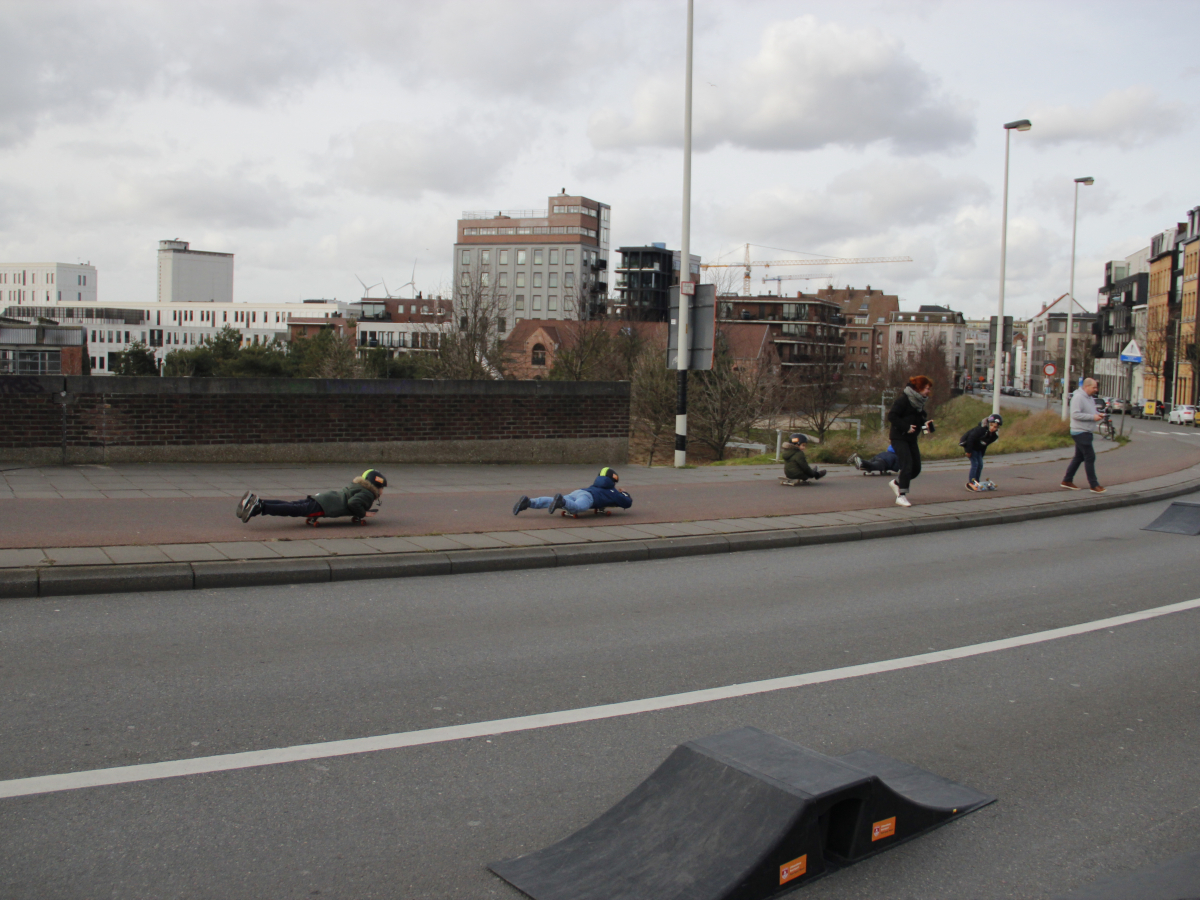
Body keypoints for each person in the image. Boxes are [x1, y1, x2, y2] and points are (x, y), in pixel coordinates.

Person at [237, 469, 386, 523]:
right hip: (326, 506)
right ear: (375, 486)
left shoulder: (358, 486)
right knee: (294, 510)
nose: (382, 492)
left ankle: (259, 502)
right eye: (382, 488)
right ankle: (259, 507)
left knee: (293, 505)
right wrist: (363, 513)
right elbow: (353, 504)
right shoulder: (368, 494)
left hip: (323, 498)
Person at [886, 375, 935, 507]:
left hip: (911, 438)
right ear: (918, 388)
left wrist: (927, 427)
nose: (928, 391)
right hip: (899, 437)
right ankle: (901, 496)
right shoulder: (904, 400)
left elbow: (919, 420)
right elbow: (892, 416)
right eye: (926, 388)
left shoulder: (919, 403)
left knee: (916, 468)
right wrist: (905, 427)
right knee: (906, 465)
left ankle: (896, 483)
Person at [513, 466, 633, 517]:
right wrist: (624, 492)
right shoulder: (613, 491)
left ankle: (528, 502)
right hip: (589, 497)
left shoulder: (595, 485)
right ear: (613, 480)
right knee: (577, 508)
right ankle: (562, 502)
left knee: (551, 501)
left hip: (579, 492)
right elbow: (627, 503)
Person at [1061, 377, 1106, 493]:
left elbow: (1091, 412)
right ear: (1086, 387)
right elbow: (1075, 414)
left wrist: (1098, 415)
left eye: (1096, 387)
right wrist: (1092, 417)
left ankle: (1067, 480)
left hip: (1087, 431)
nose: (1096, 389)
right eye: (1094, 387)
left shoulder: (1090, 398)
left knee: (1079, 457)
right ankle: (1093, 484)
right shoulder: (1078, 397)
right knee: (1090, 456)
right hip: (1080, 431)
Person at [961, 414, 1001, 491]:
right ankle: (971, 482)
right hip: (971, 447)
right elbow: (970, 438)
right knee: (975, 464)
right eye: (991, 425)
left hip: (978, 449)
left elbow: (984, 445)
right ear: (988, 424)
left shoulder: (993, 436)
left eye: (995, 427)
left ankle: (977, 481)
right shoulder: (981, 430)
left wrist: (981, 455)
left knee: (980, 464)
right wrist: (968, 451)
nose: (993, 428)